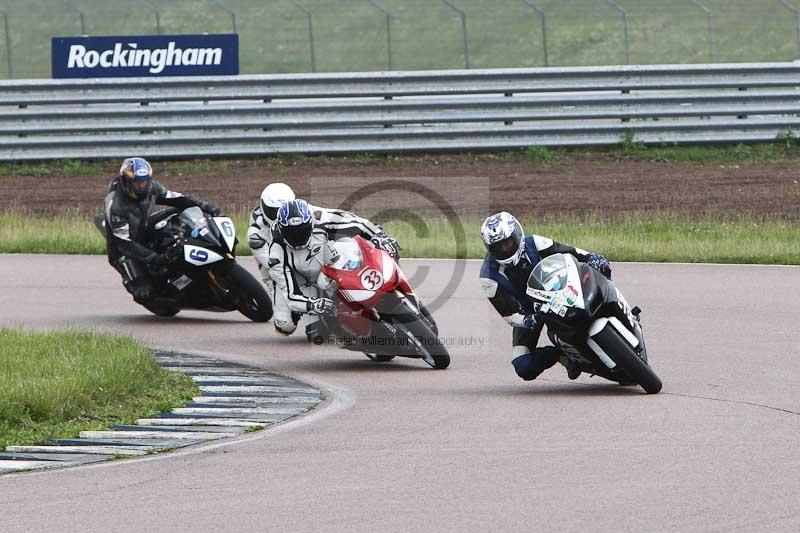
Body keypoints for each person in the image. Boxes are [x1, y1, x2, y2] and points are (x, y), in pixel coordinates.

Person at [247, 184, 399, 335]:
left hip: (326, 257)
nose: (279, 213)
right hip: (294, 274)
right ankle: (331, 316)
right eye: (274, 211)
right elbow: (274, 272)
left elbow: (352, 221)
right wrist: (311, 304)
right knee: (287, 326)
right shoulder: (262, 236)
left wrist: (379, 236)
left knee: (364, 249)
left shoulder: (313, 214)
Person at [479, 211, 612, 381]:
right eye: (499, 247)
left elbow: (569, 252)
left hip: (559, 291)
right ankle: (561, 355)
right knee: (522, 365)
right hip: (529, 313)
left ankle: (616, 308)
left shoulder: (535, 243)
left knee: (600, 269)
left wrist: (591, 257)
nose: (505, 248)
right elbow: (508, 314)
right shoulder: (488, 278)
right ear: (490, 248)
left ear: (517, 235)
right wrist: (527, 320)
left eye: (508, 242)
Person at [104, 157, 220, 305]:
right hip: (124, 248)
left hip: (146, 228)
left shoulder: (151, 188)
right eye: (137, 183)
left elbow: (177, 198)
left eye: (144, 181)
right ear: (126, 182)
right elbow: (124, 243)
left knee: (175, 224)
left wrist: (204, 206)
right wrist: (153, 257)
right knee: (144, 291)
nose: (142, 186)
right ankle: (147, 288)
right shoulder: (116, 205)